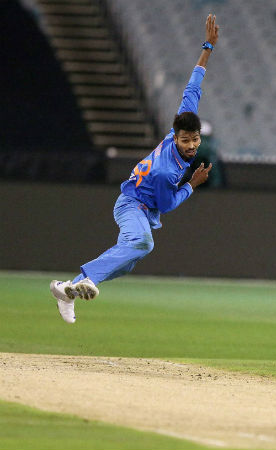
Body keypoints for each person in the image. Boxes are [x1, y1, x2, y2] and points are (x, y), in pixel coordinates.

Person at [50, 15, 220, 323]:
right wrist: (191, 185)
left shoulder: (182, 122)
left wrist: (207, 47)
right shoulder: (167, 171)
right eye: (185, 140)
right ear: (175, 137)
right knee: (144, 243)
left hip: (140, 206)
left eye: (195, 139)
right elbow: (167, 205)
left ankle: (67, 289)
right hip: (132, 205)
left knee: (127, 262)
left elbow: (193, 86)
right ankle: (84, 280)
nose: (191, 145)